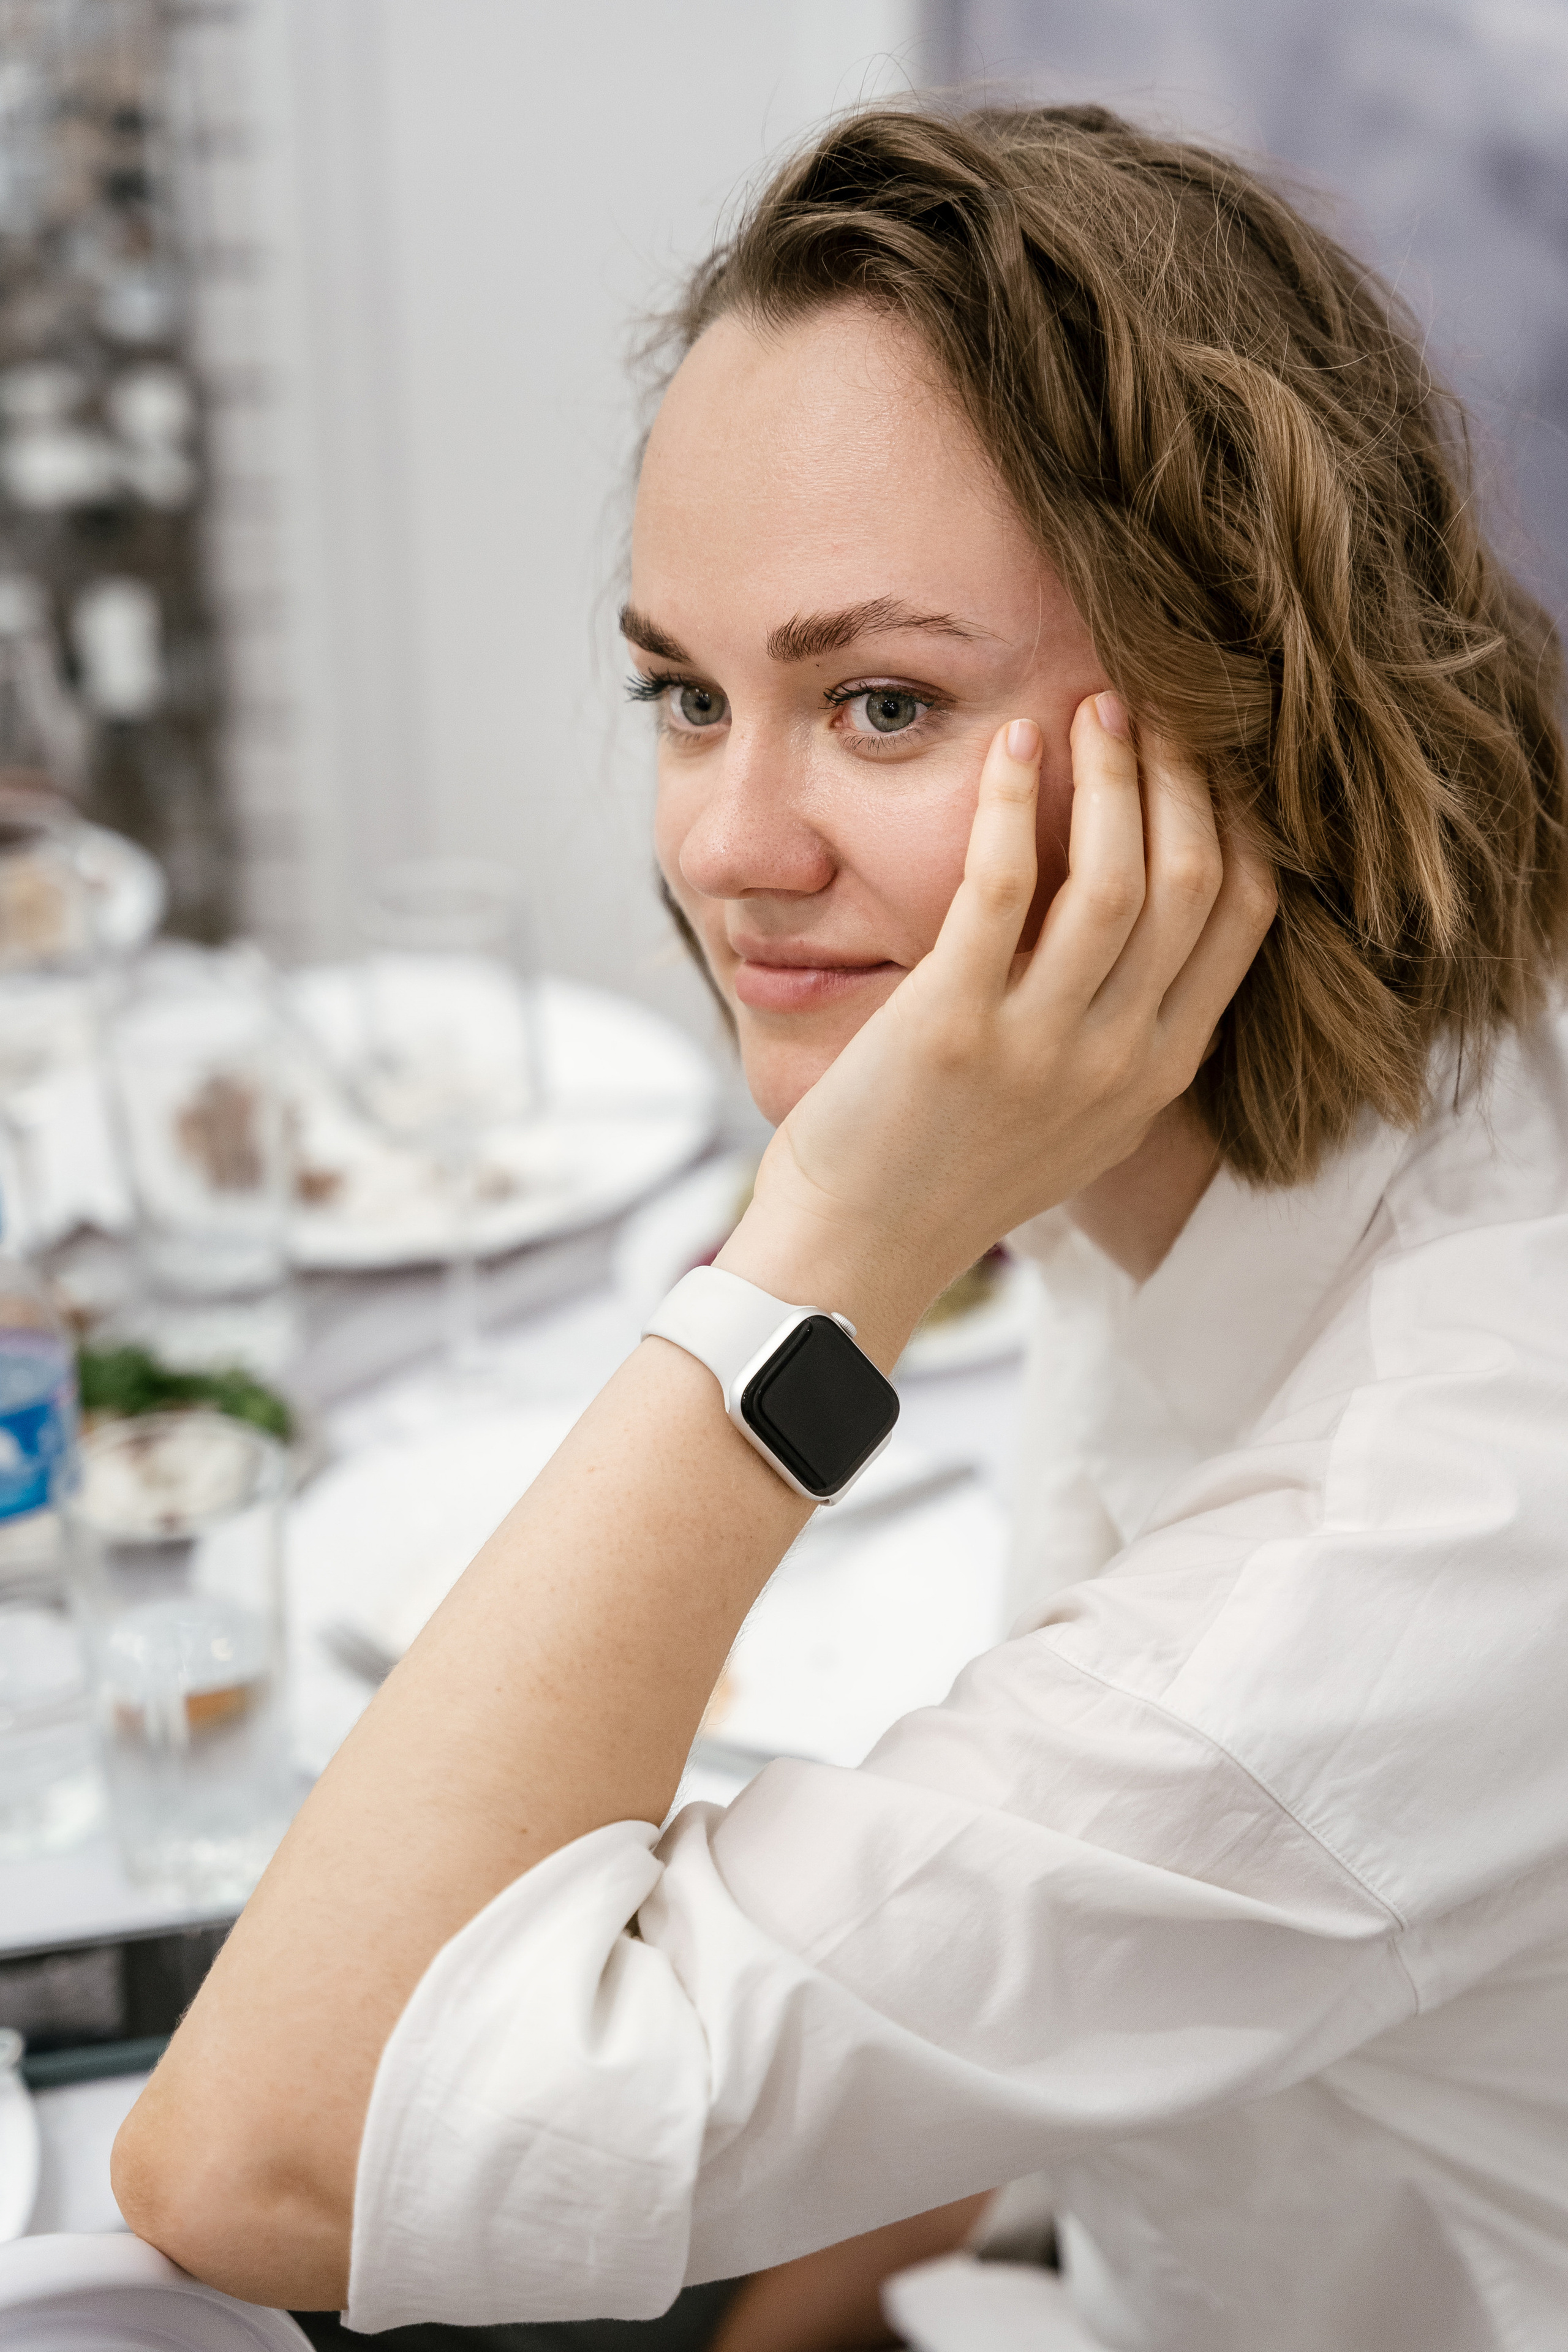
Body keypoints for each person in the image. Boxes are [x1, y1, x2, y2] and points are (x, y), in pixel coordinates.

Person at [112, 102, 1568, 2352]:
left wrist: (827, 1259)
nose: (728, 841)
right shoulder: (1230, 1085)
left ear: (1247, 705)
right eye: (689, 694)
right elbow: (1068, 1958)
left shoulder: (1447, 1509)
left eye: (879, 702)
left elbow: (259, 2160)